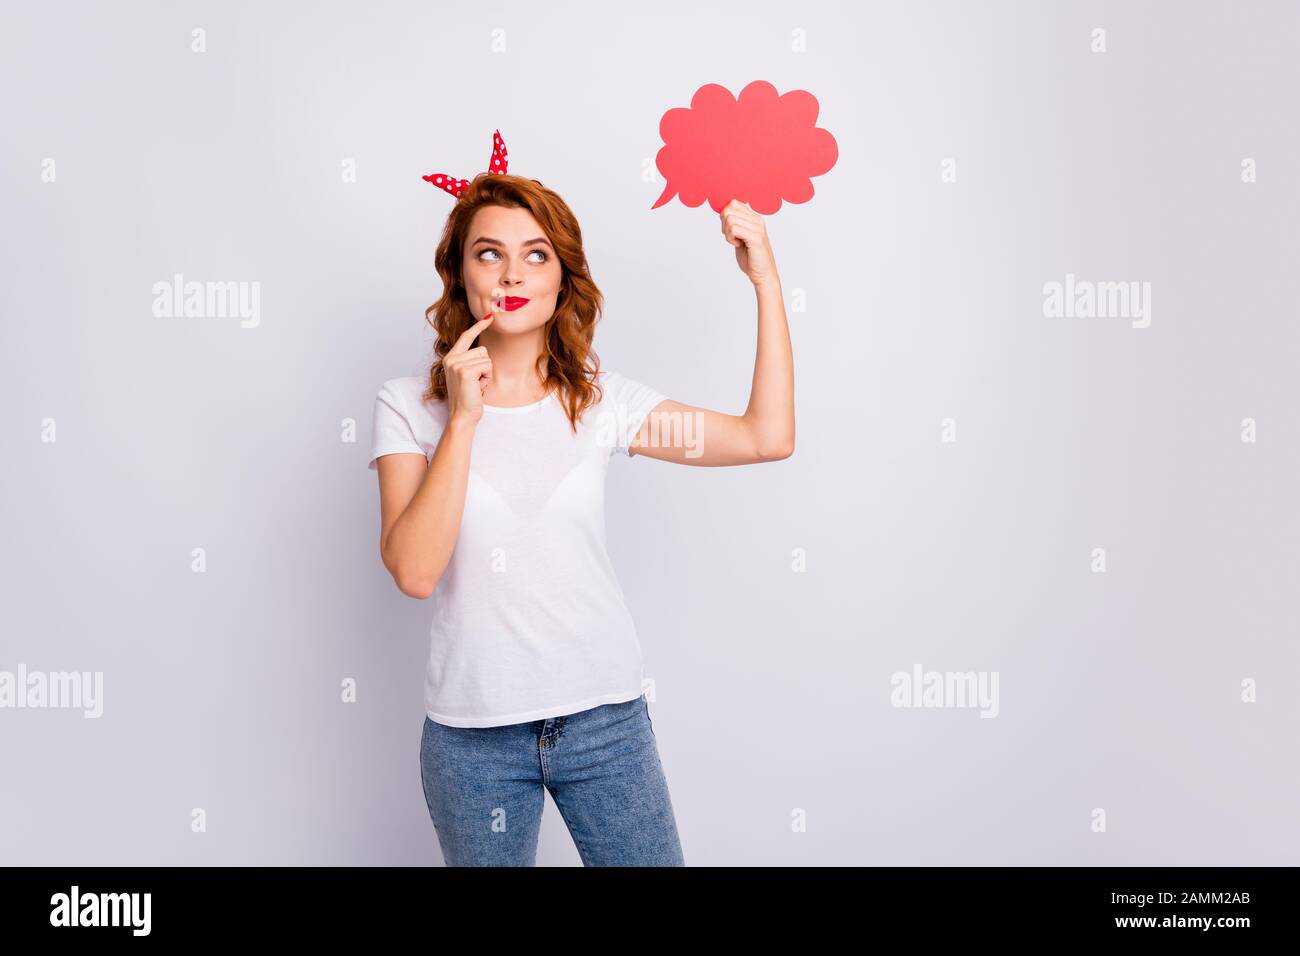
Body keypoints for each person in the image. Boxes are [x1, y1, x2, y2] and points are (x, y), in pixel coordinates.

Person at [368, 135, 794, 866]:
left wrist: (766, 283)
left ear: (563, 278)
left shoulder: (603, 404)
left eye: (536, 254)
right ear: (459, 274)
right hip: (473, 739)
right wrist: (465, 420)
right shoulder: (410, 406)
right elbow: (414, 572)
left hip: (604, 724)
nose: (512, 272)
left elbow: (766, 437)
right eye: (488, 252)